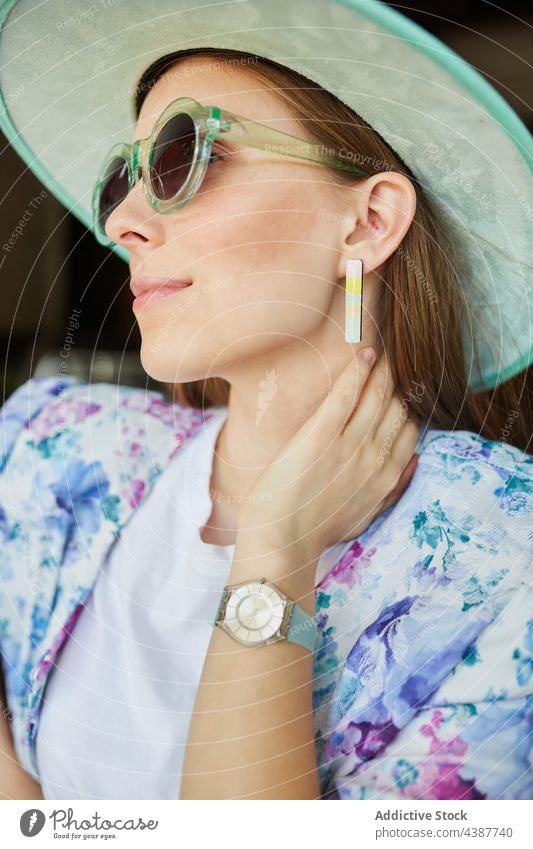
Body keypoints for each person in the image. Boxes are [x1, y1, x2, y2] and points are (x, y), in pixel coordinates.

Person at [0, 1, 531, 801]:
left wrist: (276, 555)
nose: (123, 221)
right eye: (125, 176)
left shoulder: (505, 560)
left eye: (185, 154)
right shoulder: (55, 444)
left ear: (368, 221)